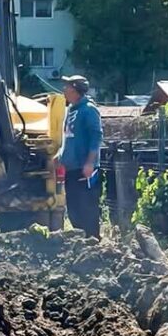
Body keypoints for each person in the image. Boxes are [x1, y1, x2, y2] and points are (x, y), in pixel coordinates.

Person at [57, 74, 103, 238]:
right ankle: (83, 245)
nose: (64, 89)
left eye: (68, 86)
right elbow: (69, 139)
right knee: (74, 211)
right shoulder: (71, 110)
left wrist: (90, 163)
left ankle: (94, 244)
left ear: (76, 90)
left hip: (85, 171)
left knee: (87, 211)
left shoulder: (89, 109)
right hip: (71, 169)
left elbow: (96, 136)